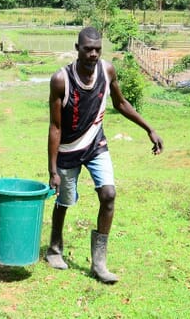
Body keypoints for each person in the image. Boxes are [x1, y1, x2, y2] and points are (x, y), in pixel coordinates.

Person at [46, 26, 163, 283]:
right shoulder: (61, 80)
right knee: (64, 201)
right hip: (67, 149)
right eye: (88, 49)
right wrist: (52, 169)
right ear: (77, 49)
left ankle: (99, 262)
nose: (94, 54)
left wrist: (149, 129)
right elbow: (55, 126)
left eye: (98, 49)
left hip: (96, 145)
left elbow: (120, 103)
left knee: (108, 194)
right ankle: (54, 249)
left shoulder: (107, 71)